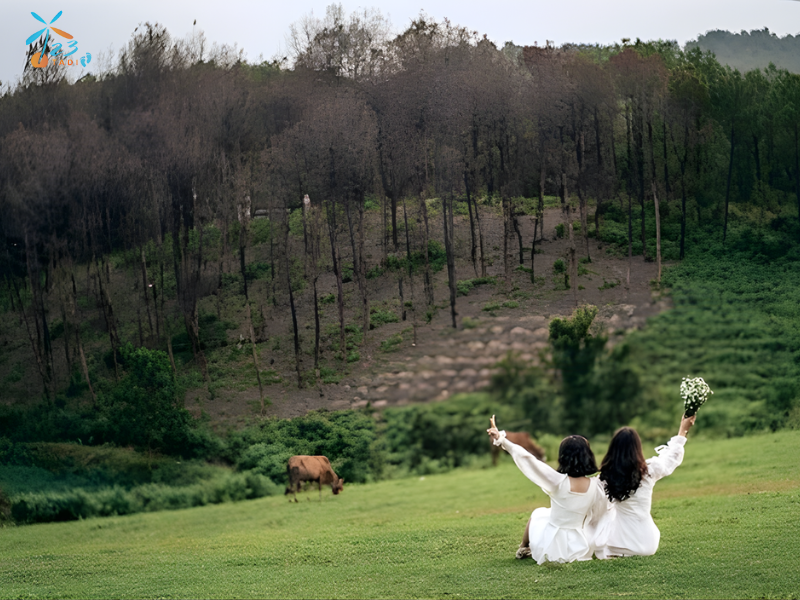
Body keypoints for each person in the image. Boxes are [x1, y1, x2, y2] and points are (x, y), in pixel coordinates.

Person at [487, 415, 607, 564]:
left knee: (538, 513)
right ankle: (524, 547)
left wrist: (501, 439)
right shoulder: (597, 486)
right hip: (580, 547)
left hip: (552, 547)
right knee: (544, 514)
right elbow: (601, 512)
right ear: (589, 456)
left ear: (562, 457)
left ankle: (523, 547)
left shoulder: (557, 481)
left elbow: (527, 459)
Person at [589, 414, 696, 559]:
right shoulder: (649, 471)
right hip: (647, 544)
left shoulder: (605, 477)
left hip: (617, 544)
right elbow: (672, 457)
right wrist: (683, 430)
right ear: (638, 448)